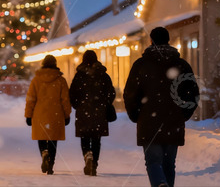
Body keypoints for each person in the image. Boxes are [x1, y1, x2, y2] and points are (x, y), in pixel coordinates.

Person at [124, 27, 199, 187]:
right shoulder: (181, 65)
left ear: (151, 41)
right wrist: (183, 113)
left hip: (149, 121)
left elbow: (130, 93)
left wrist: (136, 115)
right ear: (168, 40)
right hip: (173, 121)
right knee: (169, 163)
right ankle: (165, 184)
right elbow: (192, 93)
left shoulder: (141, 65)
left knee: (153, 162)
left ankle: (159, 183)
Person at [69, 50, 116, 177]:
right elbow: (111, 92)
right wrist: (105, 103)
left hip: (83, 111)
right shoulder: (103, 75)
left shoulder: (79, 76)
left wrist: (78, 105)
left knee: (84, 136)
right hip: (99, 111)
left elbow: (72, 93)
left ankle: (87, 155)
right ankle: (94, 162)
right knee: (96, 138)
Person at [24, 54, 72, 175]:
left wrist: (28, 115)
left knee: (41, 137)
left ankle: (44, 153)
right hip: (56, 114)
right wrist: (67, 115)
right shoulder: (61, 80)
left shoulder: (36, 80)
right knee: (53, 140)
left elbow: (31, 99)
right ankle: (50, 164)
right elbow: (65, 99)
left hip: (39, 113)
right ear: (55, 65)